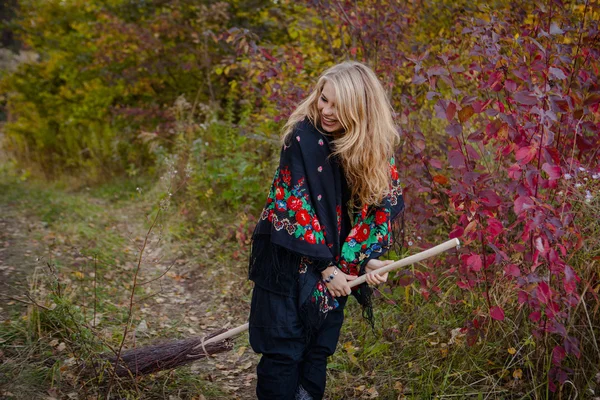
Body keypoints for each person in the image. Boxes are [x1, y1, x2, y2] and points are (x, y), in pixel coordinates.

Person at [248, 61, 405, 400]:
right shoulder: (301, 138)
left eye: (338, 105)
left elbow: (376, 210)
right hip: (291, 258)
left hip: (337, 265)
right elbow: (294, 206)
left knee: (318, 350)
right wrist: (326, 268)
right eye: (323, 99)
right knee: (284, 351)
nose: (326, 110)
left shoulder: (375, 149)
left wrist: (367, 261)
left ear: (360, 110)